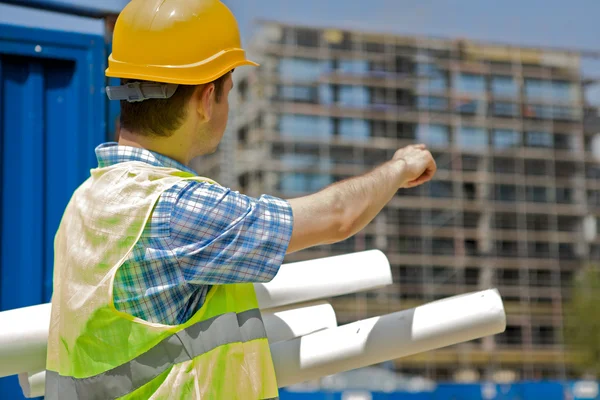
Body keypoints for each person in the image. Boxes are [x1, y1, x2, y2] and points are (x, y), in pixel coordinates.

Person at [44, 0, 437, 399]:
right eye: (229, 93)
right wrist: (399, 168)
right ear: (205, 98)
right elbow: (339, 217)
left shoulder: (85, 202)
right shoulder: (177, 211)